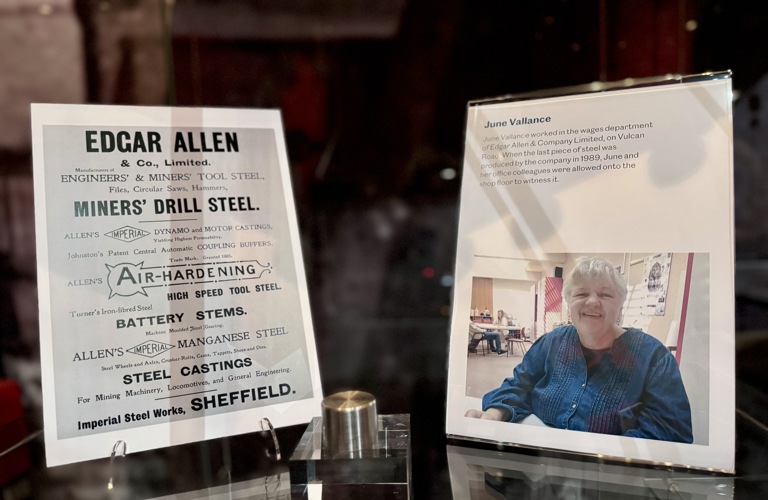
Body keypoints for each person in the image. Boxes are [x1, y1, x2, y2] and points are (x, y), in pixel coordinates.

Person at [466, 257, 693, 443]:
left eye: (605, 294)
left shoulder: (653, 358)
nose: (592, 302)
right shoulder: (551, 343)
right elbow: (519, 385)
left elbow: (670, 433)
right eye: (581, 294)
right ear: (568, 302)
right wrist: (494, 415)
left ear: (620, 303)